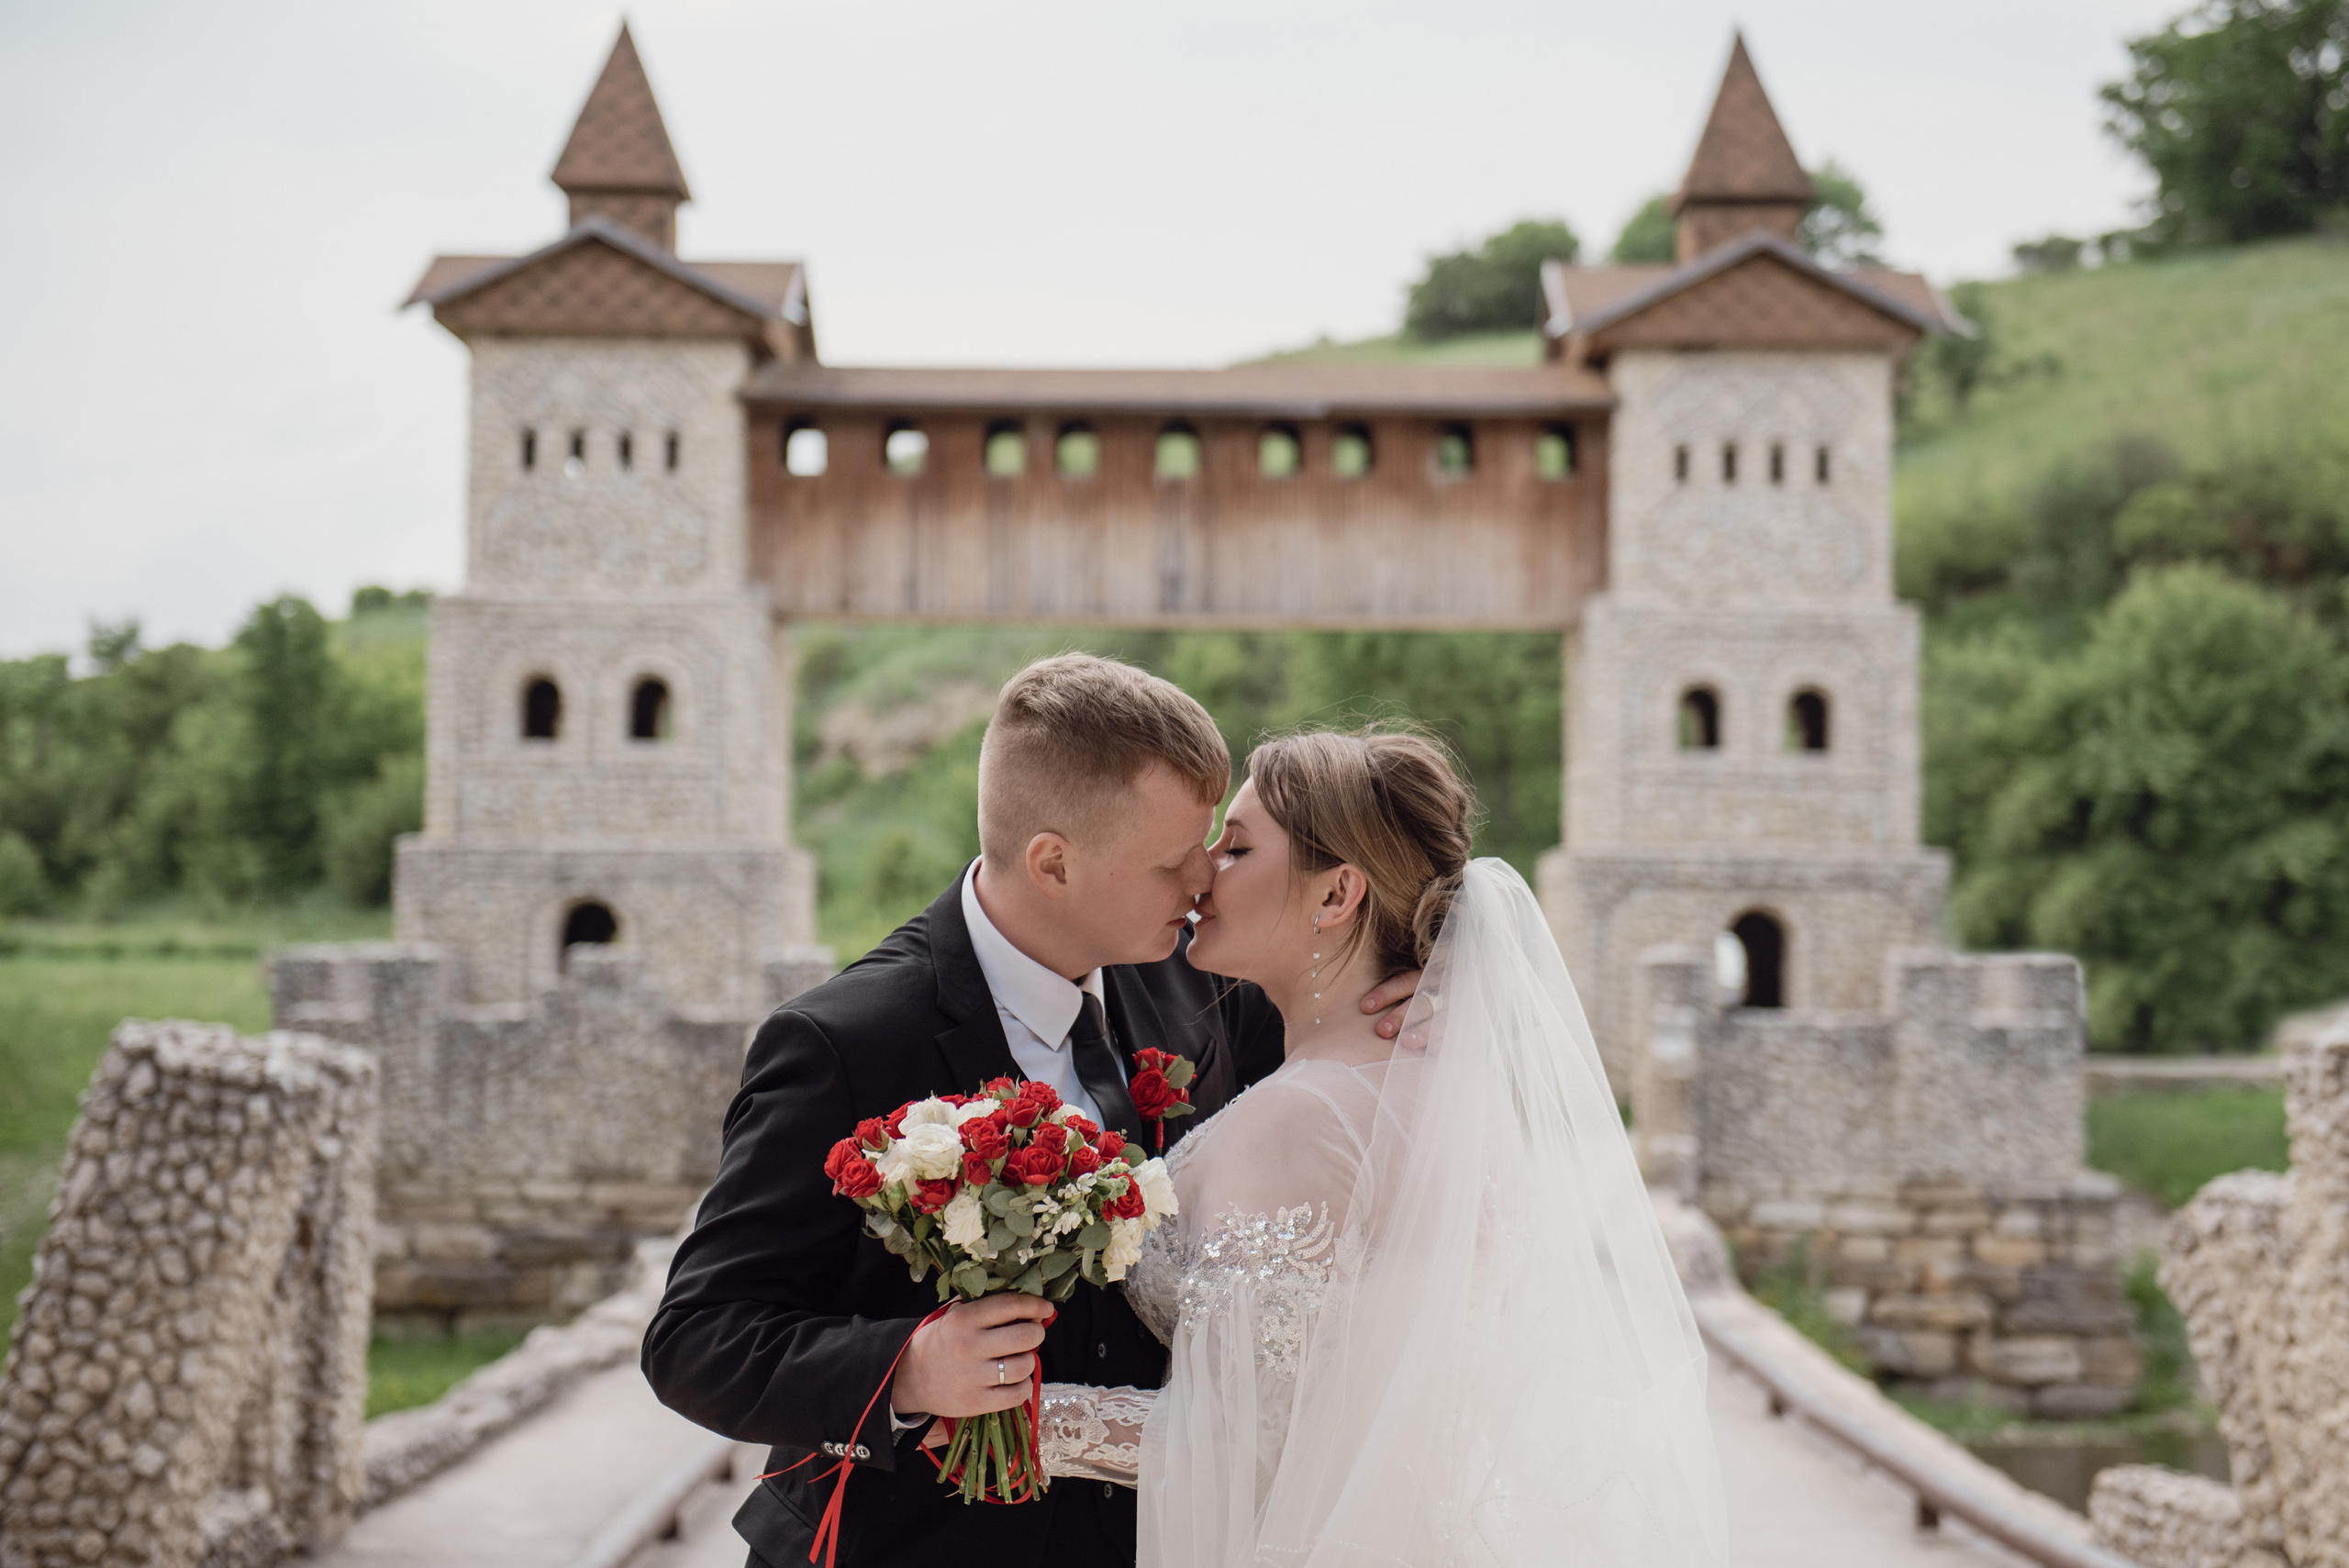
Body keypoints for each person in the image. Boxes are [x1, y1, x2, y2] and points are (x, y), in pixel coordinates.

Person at [640, 656, 1418, 1568]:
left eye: (1212, 843)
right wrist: (907, 1367)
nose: (1204, 876)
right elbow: (695, 1336)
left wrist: (1419, 1000)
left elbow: (1332, 1036)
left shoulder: (1199, 982)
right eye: (1172, 858)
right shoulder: (845, 1041)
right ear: (1054, 861)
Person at [1034, 728, 1728, 1567]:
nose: (1204, 869)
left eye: (1238, 846)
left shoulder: (1294, 1121)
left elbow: (1236, 1446)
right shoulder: (1445, 1088)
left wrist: (1020, 1419)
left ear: (1337, 894)